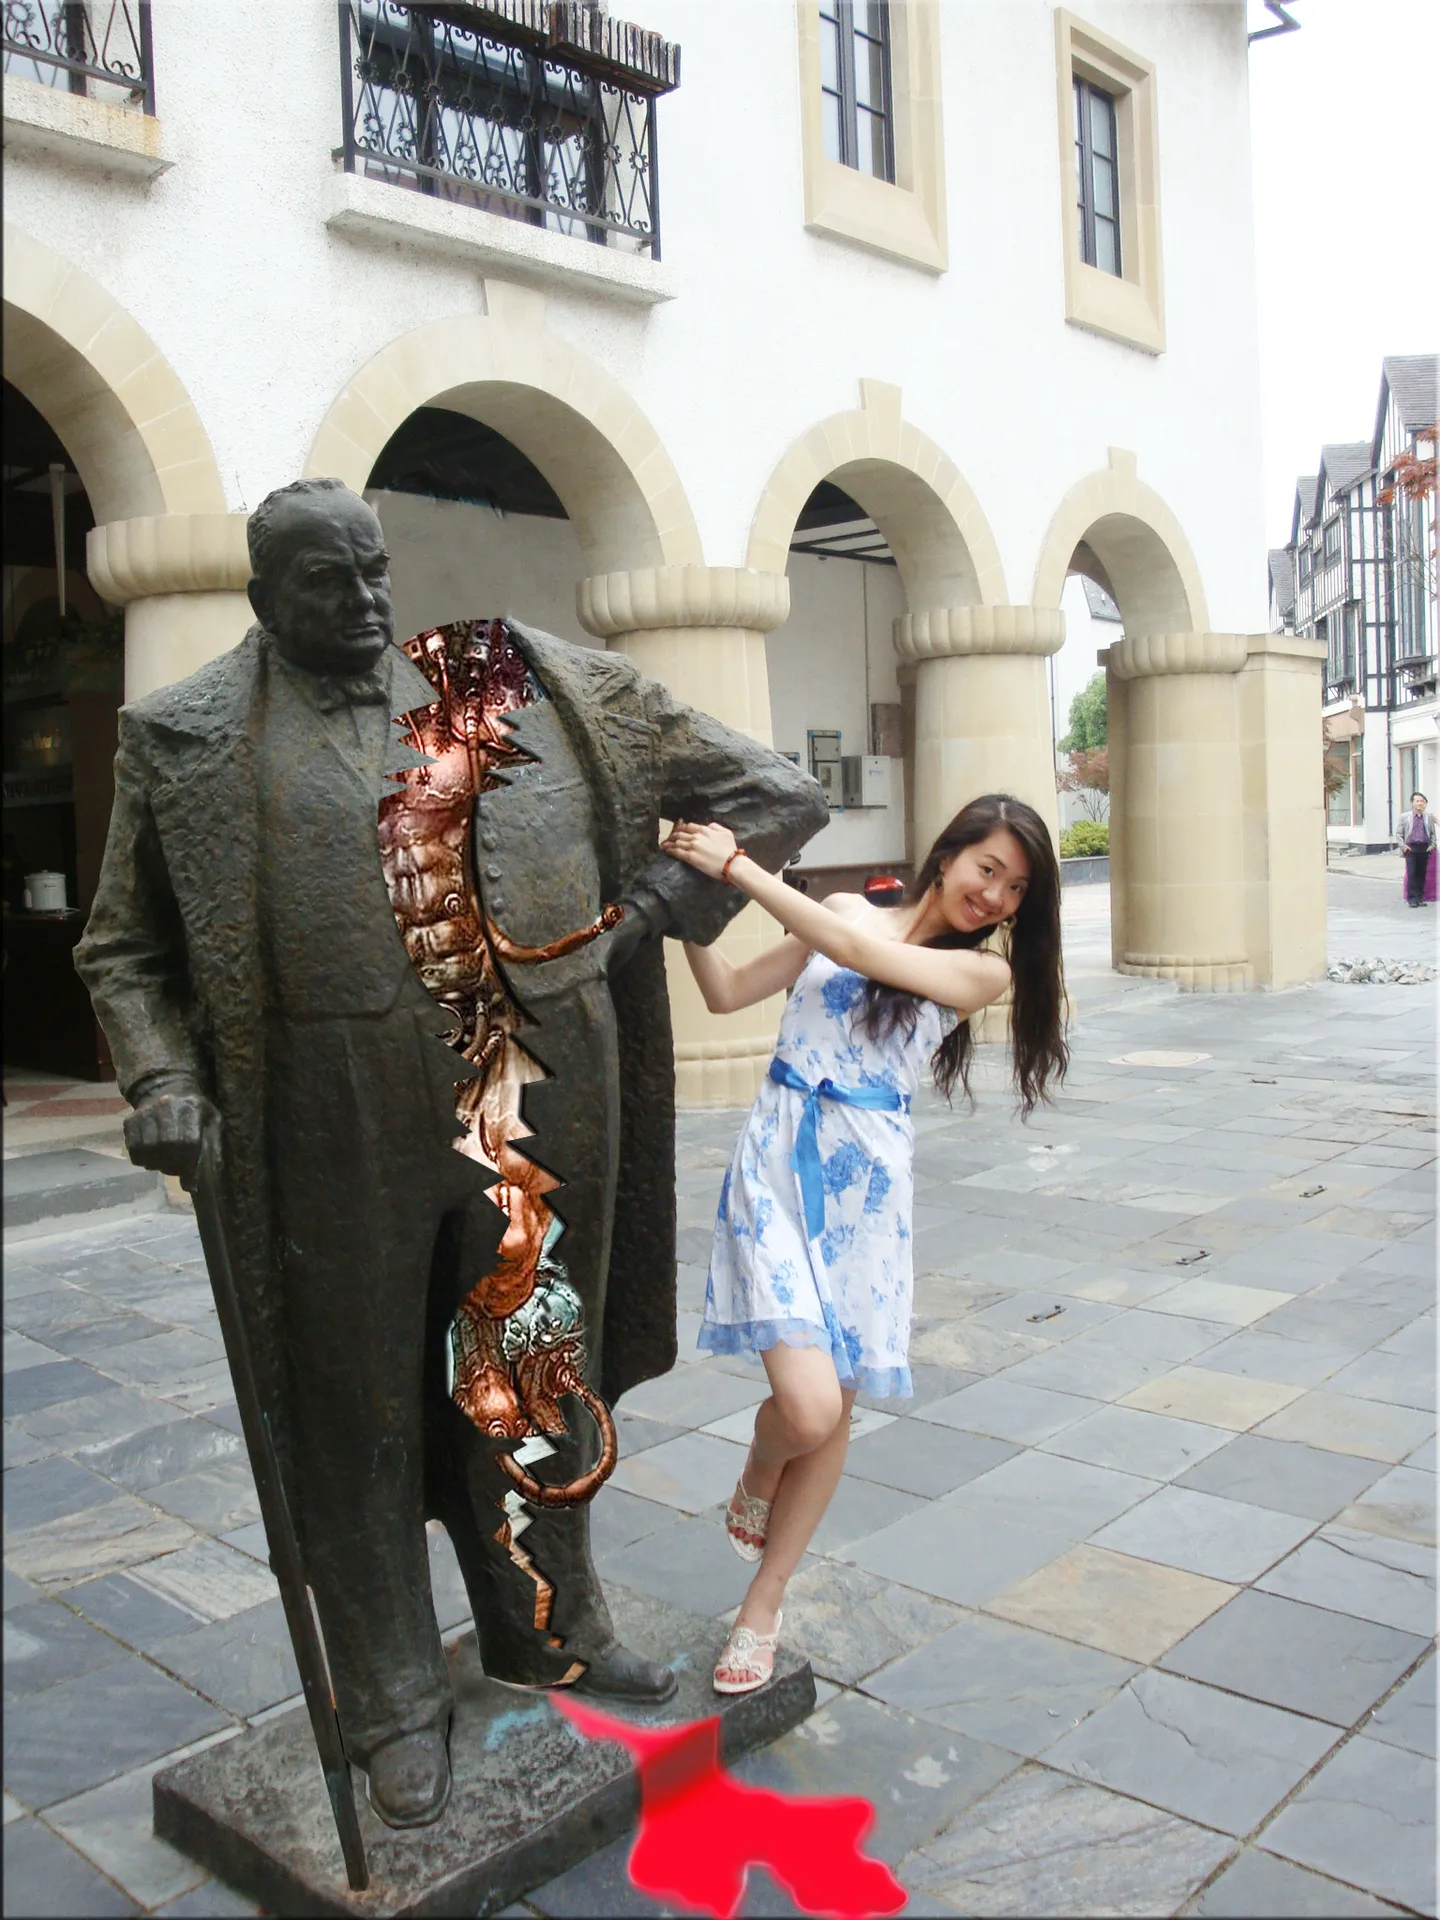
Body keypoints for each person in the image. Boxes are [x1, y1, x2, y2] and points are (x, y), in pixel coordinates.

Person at [75, 478, 827, 1826]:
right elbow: (124, 949)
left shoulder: (514, 683)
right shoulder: (185, 735)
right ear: (263, 596)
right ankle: (390, 1700)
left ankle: (547, 1624)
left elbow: (772, 793)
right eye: (328, 583)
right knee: (355, 1408)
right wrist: (163, 1078)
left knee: (533, 1374)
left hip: (530, 1099)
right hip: (328, 1117)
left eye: (374, 572)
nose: (366, 602)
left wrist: (649, 907)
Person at [662, 794, 1068, 1693]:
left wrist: (740, 868)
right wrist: (685, 905)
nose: (995, 896)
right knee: (807, 1411)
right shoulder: (844, 911)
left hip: (868, 1199)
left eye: (1016, 889)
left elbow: (858, 953)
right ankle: (760, 1467)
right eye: (988, 869)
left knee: (836, 1407)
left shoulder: (980, 973)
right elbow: (725, 992)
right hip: (776, 1166)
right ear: (949, 855)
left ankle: (763, 1605)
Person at [1397, 791, 1436, 907]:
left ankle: (1419, 898)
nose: (1420, 803)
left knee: (1421, 874)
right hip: (1411, 848)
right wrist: (1403, 846)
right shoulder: (1405, 817)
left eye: (1422, 801)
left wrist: (1432, 845)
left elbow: (1432, 834)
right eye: (1417, 801)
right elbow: (1398, 834)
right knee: (1412, 873)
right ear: (1412, 803)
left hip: (1424, 848)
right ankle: (1412, 899)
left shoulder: (1428, 817)